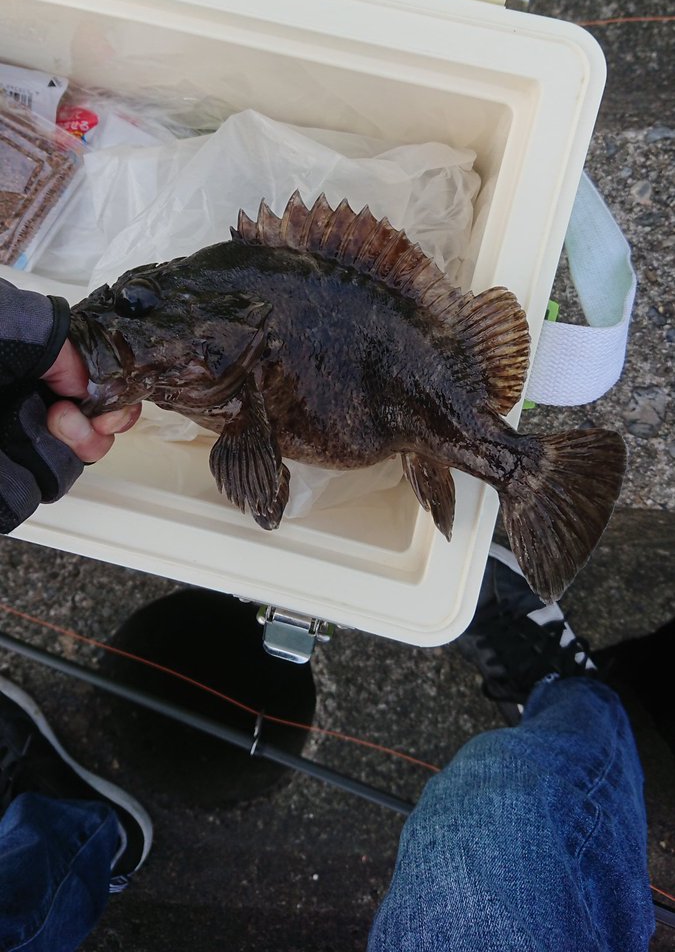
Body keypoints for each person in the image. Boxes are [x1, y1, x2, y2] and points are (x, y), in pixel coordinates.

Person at [0, 278, 656, 951]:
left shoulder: (232, 367)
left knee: (482, 816)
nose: (117, 324)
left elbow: (257, 483)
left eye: (137, 311)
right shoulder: (221, 348)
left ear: (237, 341)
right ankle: (567, 693)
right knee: (491, 821)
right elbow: (256, 476)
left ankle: (570, 695)